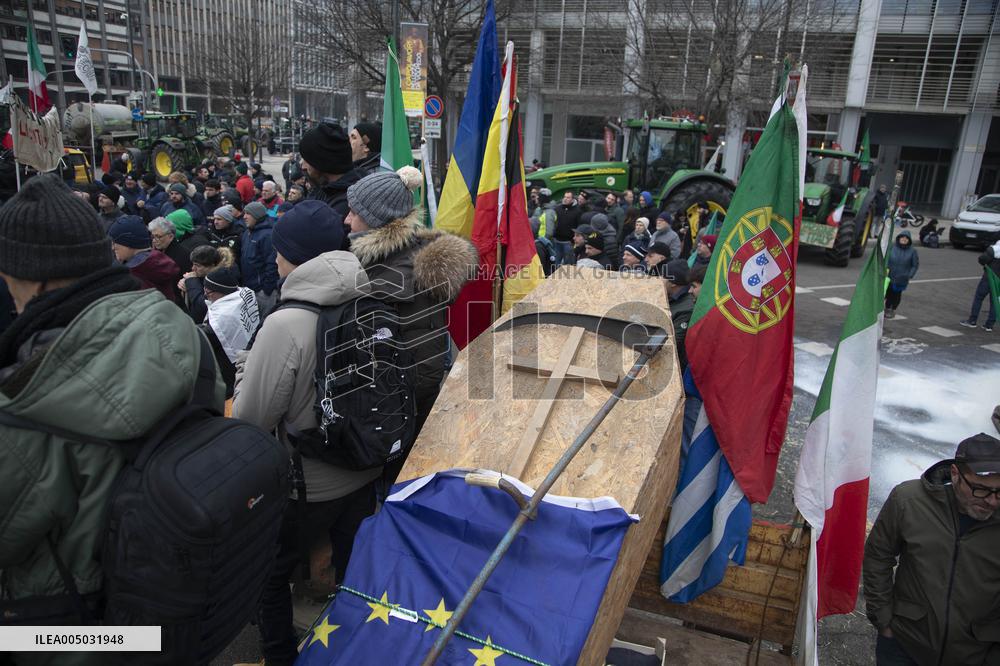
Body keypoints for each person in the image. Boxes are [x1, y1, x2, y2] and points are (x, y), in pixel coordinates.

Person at [0, 175, 223, 658]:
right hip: (174, 602)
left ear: (31, 276)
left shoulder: (27, 402)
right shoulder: (180, 331)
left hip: (75, 630)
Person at [233, 204, 380, 666]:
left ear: (294, 256)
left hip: (308, 483)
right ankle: (355, 652)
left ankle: (279, 657)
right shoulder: (370, 297)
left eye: (279, 251)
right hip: (364, 465)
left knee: (268, 573)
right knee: (355, 573)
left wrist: (244, 372)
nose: (274, 259)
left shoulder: (285, 322)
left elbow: (252, 418)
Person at [346, 167, 476, 478]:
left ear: (377, 219)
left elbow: (421, 366)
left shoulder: (394, 277)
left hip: (396, 414)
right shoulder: (393, 260)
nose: (347, 220)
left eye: (354, 212)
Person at [863, 433, 1000, 666]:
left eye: (998, 491)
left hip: (976, 654)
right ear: (955, 474)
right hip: (904, 645)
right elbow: (878, 555)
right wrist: (883, 618)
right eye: (980, 489)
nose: (992, 501)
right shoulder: (908, 501)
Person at [300, 122, 365, 228]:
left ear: (321, 162)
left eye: (307, 160)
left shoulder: (345, 205)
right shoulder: (325, 189)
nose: (303, 166)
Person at [108, 215, 181, 303]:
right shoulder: (157, 261)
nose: (113, 247)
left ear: (129, 242)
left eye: (115, 242)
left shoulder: (133, 276)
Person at [240, 201, 279, 315]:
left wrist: (266, 289)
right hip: (249, 290)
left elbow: (272, 263)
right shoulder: (247, 233)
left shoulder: (267, 235)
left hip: (262, 292)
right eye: (244, 213)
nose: (244, 217)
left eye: (248, 213)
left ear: (257, 215)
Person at [179, 244, 231, 322]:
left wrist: (191, 282)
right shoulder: (203, 275)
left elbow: (203, 305)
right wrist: (186, 285)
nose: (193, 268)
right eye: (193, 264)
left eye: (197, 266)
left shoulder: (222, 279)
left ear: (212, 265)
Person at [959, 239, 999, 332]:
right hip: (999, 281)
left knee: (979, 298)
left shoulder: (994, 249)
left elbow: (982, 259)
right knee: (995, 301)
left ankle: (972, 320)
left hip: (988, 278)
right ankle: (989, 325)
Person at [664, 259, 694, 371]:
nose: (659, 279)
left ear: (673, 283)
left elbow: (672, 341)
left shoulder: (686, 309)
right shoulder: (668, 297)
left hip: (671, 366)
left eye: (663, 277)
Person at [885, 230, 919, 319]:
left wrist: (909, 275)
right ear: (899, 238)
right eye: (902, 237)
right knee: (887, 293)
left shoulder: (913, 251)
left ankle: (892, 309)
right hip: (889, 276)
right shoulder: (892, 248)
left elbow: (915, 265)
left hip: (901, 278)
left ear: (909, 240)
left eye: (906, 238)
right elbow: (885, 259)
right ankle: (886, 307)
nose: (904, 239)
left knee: (896, 295)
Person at [553, 190, 581, 266]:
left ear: (572, 199)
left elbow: (578, 226)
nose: (565, 199)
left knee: (568, 264)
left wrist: (574, 240)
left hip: (569, 242)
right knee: (556, 263)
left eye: (568, 197)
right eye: (565, 197)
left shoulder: (577, 211)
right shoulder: (558, 209)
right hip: (557, 240)